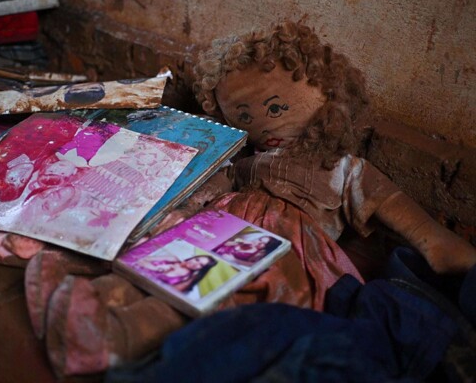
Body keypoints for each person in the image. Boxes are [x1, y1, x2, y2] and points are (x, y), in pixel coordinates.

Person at [27, 20, 476, 376]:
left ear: (327, 97)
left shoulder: (344, 169)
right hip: (220, 222)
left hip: (283, 246)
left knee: (219, 290)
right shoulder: (247, 160)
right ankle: (96, 301)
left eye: (276, 108)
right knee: (167, 260)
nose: (264, 123)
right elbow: (217, 184)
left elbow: (409, 221)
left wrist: (443, 249)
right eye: (243, 115)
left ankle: (113, 337)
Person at [135, 253, 218, 293]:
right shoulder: (172, 258)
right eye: (197, 260)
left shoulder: (187, 278)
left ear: (201, 269)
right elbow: (140, 259)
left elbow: (168, 292)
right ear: (194, 257)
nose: (195, 263)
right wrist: (156, 268)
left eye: (201, 265)